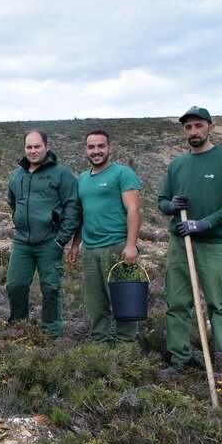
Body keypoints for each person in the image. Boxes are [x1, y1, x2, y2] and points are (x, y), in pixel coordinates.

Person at [158, 107, 222, 376]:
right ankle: (179, 361)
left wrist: (205, 222)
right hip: (180, 244)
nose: (193, 131)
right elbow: (161, 201)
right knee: (177, 303)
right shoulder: (177, 165)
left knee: (220, 305)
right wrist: (171, 206)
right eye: (188, 127)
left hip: (213, 244)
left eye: (198, 125)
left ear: (211, 127)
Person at [67, 130, 142, 345]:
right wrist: (75, 245)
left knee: (122, 299)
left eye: (101, 146)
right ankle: (101, 345)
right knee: (95, 301)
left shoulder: (123, 174)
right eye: (91, 147)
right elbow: (83, 214)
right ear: (86, 150)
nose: (96, 151)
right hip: (90, 249)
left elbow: (134, 210)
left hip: (117, 246)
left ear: (110, 148)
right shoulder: (82, 178)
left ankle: (127, 347)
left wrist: (131, 245)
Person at [6, 130, 81, 338]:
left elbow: (73, 207)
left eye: (37, 146)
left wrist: (61, 240)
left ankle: (51, 332)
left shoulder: (61, 174)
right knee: (15, 285)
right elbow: (12, 201)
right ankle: (18, 325)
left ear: (47, 147)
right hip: (22, 241)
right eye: (29, 147)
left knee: (51, 288)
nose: (33, 151)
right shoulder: (16, 175)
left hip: (50, 241)